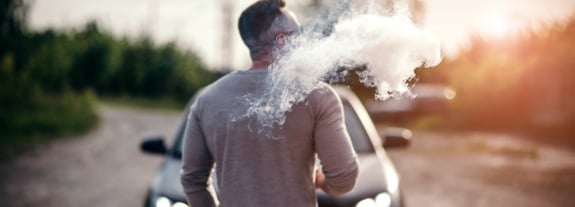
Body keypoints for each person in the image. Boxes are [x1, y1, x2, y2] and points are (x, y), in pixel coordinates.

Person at [180, 0, 359, 206]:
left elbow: (192, 179)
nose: (303, 39)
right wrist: (321, 181)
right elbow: (344, 178)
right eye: (298, 32)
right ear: (282, 41)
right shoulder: (318, 96)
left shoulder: (207, 99)